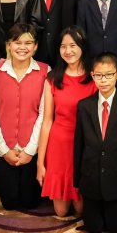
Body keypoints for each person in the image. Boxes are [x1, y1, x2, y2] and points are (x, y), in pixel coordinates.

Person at [0, 23, 49, 210]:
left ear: (35, 47)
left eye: (28, 43)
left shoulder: (45, 72)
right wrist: (4, 150)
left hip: (32, 148)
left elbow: (44, 115)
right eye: (17, 42)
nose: (22, 47)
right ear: (8, 45)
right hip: (3, 148)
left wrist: (29, 151)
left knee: (30, 202)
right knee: (10, 203)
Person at [74, 53, 117, 233]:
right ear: (92, 76)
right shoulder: (84, 106)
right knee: (92, 228)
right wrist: (77, 180)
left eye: (108, 75)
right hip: (91, 179)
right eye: (99, 75)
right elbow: (79, 146)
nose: (104, 80)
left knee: (115, 227)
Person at [37, 26, 97, 217]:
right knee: (61, 212)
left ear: (83, 47)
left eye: (73, 45)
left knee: (81, 211)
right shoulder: (53, 78)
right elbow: (47, 121)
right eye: (63, 46)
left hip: (84, 145)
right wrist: (40, 163)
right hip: (59, 144)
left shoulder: (94, 78)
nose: (68, 51)